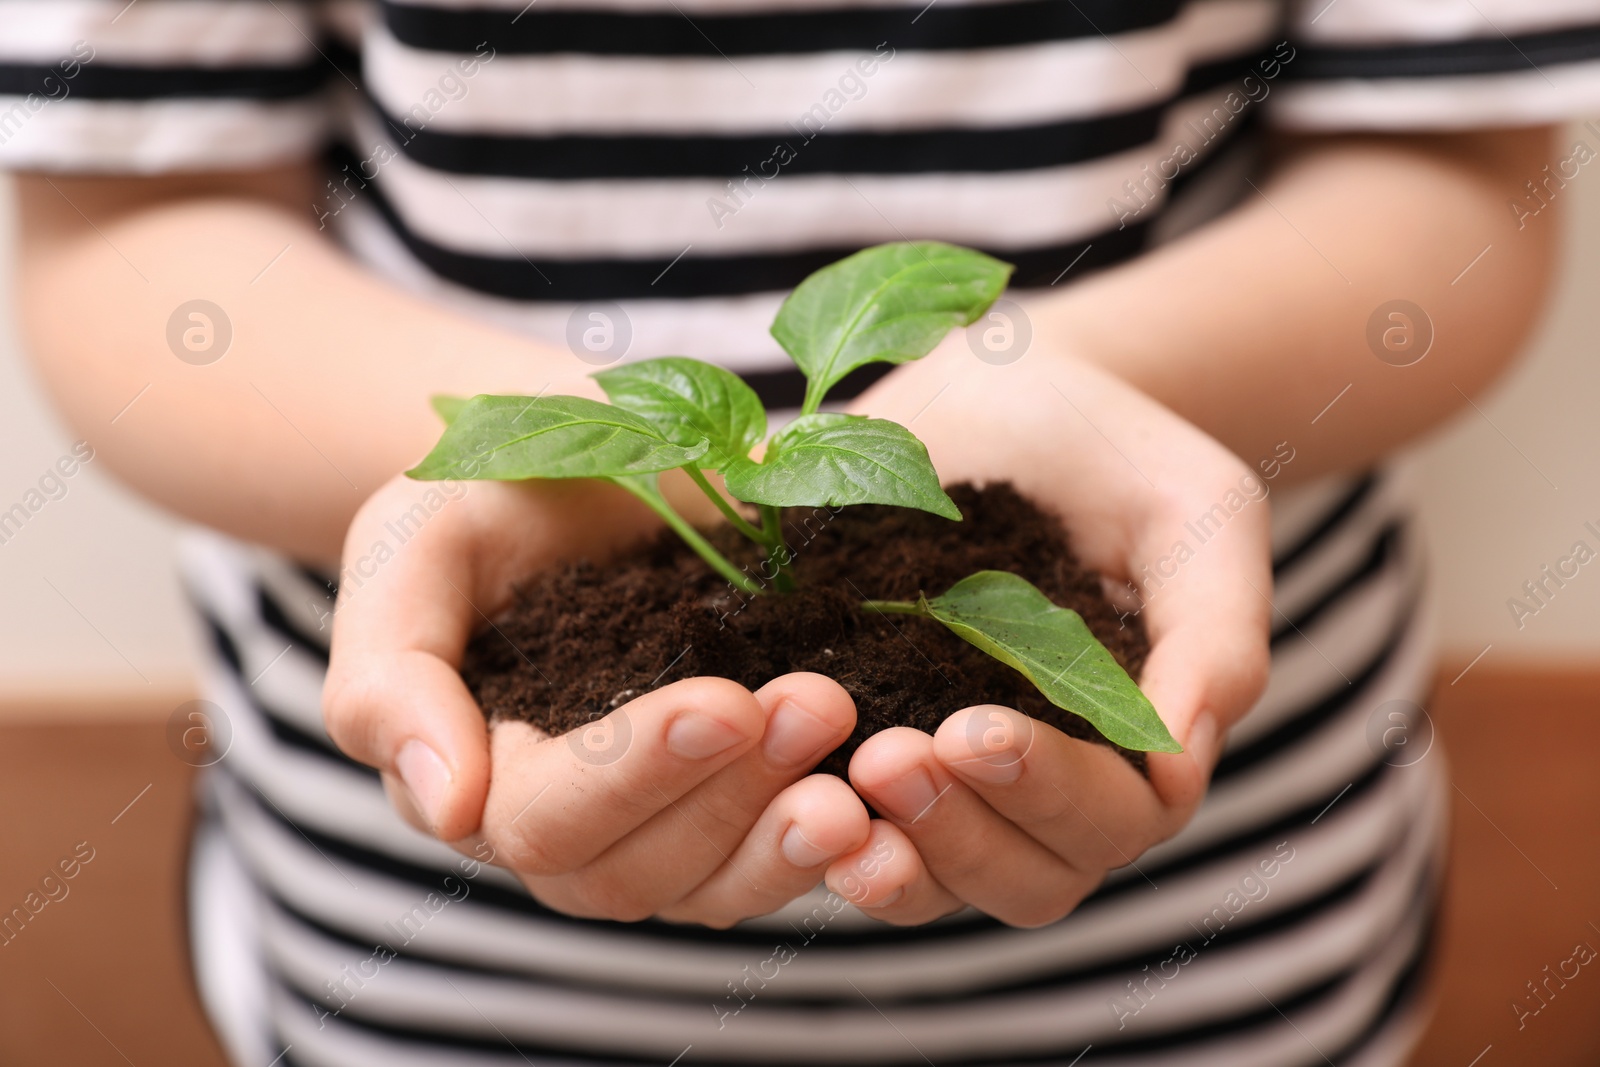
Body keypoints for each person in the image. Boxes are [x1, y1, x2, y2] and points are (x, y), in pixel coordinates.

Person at [4, 1, 1591, 1063]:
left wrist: (1087, 381)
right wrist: (533, 467)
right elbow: (133, 221)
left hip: (1218, 945)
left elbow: (1450, 168)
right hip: (438, 962)